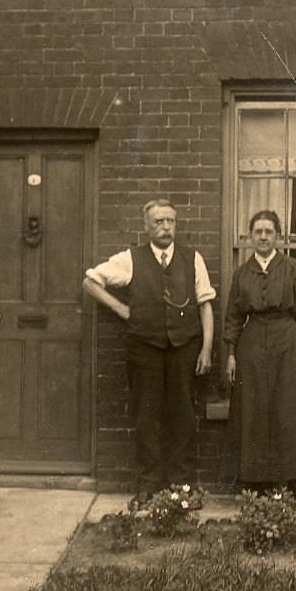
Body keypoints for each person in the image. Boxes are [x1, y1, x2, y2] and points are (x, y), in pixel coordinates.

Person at [83, 198, 215, 503]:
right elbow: (91, 281)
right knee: (147, 415)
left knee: (183, 414)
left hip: (184, 347)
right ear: (146, 226)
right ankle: (148, 486)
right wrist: (120, 307)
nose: (165, 227)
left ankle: (182, 485)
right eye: (158, 221)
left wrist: (206, 349)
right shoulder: (131, 259)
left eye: (170, 221)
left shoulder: (192, 258)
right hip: (145, 348)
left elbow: (205, 303)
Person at [223, 209, 296, 493]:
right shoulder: (242, 274)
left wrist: (294, 343)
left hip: (289, 344)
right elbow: (233, 317)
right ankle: (257, 481)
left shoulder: (294, 269)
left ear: (277, 236)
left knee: (290, 409)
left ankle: (294, 479)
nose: (263, 237)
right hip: (252, 347)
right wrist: (231, 353)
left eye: (269, 232)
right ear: (250, 237)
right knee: (254, 410)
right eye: (258, 232)